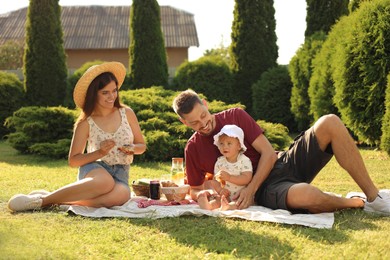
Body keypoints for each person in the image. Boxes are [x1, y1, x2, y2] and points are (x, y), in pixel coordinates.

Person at [172, 89, 390, 215]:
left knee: (329, 122)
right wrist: (210, 192)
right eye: (194, 123)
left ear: (206, 104)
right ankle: (355, 202)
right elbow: (195, 189)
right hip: (267, 189)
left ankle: (373, 197)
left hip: (280, 163)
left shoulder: (235, 115)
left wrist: (250, 189)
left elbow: (267, 152)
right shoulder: (192, 148)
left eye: (203, 115)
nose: (203, 124)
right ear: (184, 122)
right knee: (308, 195)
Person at [8, 62, 146, 212]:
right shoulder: (86, 123)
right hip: (96, 169)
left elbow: (141, 146)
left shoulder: (127, 113)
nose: (111, 96)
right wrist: (99, 153)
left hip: (121, 173)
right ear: (94, 94)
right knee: (105, 182)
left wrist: (132, 148)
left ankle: (56, 201)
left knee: (122, 196)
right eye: (105, 92)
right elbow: (74, 160)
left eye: (114, 91)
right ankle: (40, 201)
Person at [197, 124, 253, 211]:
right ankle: (209, 205)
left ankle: (229, 206)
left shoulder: (244, 160)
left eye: (229, 143)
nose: (225, 146)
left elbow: (247, 178)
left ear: (239, 146)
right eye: (222, 143)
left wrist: (229, 177)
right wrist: (220, 190)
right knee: (218, 198)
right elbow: (216, 181)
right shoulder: (220, 162)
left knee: (240, 201)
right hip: (226, 194)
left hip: (240, 194)